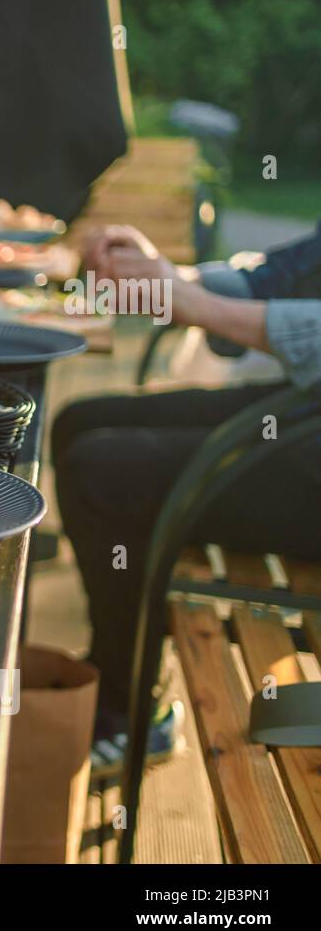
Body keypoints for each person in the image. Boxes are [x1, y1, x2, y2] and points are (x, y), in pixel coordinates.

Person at [53, 221, 321, 770]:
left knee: (100, 473)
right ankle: (124, 665)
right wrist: (166, 275)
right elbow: (281, 275)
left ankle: (128, 710)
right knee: (78, 423)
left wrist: (199, 304)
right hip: (306, 409)